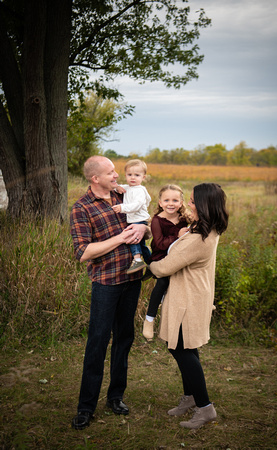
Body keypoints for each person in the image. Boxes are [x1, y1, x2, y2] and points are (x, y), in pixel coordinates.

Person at [70, 155, 149, 430]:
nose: (117, 175)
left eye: (116, 171)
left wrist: (142, 227)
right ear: (95, 178)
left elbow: (145, 225)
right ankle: (86, 407)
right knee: (98, 342)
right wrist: (121, 237)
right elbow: (83, 252)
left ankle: (116, 397)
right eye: (111, 172)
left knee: (124, 339)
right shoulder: (81, 208)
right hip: (105, 283)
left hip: (132, 279)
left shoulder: (126, 195)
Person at [149, 183, 229, 429]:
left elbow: (164, 267)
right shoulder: (203, 228)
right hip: (191, 295)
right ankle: (191, 397)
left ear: (204, 205)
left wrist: (145, 262)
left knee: (182, 349)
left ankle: (205, 408)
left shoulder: (198, 238)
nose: (188, 204)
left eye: (193, 201)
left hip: (189, 299)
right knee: (184, 347)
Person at [142, 184, 191, 340]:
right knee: (162, 283)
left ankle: (201, 304)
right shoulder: (157, 220)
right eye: (167, 200)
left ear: (181, 202)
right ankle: (149, 319)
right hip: (161, 255)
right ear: (160, 203)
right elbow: (160, 243)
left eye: (175, 200)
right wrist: (178, 234)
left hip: (178, 256)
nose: (171, 203)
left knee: (188, 276)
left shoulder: (184, 219)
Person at [112, 159, 151, 274]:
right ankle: (152, 264)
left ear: (143, 177)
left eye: (137, 175)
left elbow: (137, 205)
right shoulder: (128, 187)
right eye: (130, 175)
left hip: (139, 220)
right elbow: (116, 187)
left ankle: (137, 259)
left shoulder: (139, 190)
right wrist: (117, 187)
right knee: (141, 244)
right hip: (135, 219)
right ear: (125, 175)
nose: (133, 178)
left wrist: (122, 208)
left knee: (132, 238)